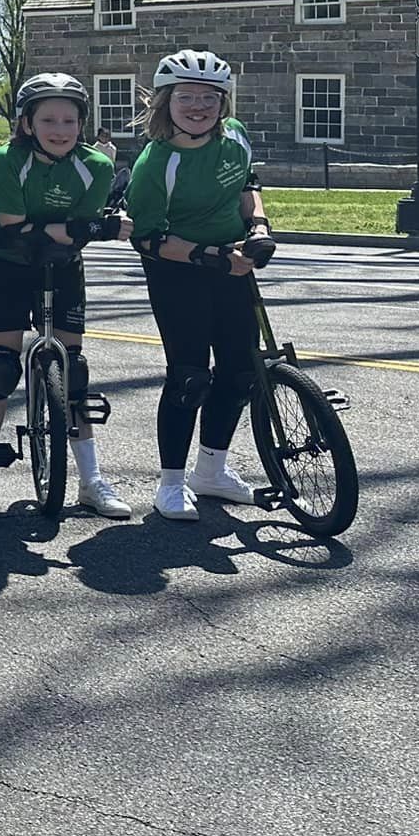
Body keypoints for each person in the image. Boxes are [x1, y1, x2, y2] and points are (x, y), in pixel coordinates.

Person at [0, 73, 130, 518]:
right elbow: (14, 231)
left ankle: (91, 480)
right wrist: (73, 228)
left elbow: (72, 238)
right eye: (48, 119)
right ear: (27, 123)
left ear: (82, 124)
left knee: (75, 372)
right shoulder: (5, 160)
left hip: (62, 265)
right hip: (4, 267)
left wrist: (57, 231)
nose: (60, 129)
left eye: (69, 120)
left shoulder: (98, 166)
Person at [126, 50, 272, 521]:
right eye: (186, 96)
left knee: (240, 372)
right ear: (165, 101)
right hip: (177, 270)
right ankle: (170, 484)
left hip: (231, 261)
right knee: (190, 376)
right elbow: (147, 239)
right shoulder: (156, 163)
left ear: (222, 103)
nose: (198, 106)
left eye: (209, 97)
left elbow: (248, 184)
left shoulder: (235, 137)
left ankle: (211, 471)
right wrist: (208, 256)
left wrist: (260, 229)